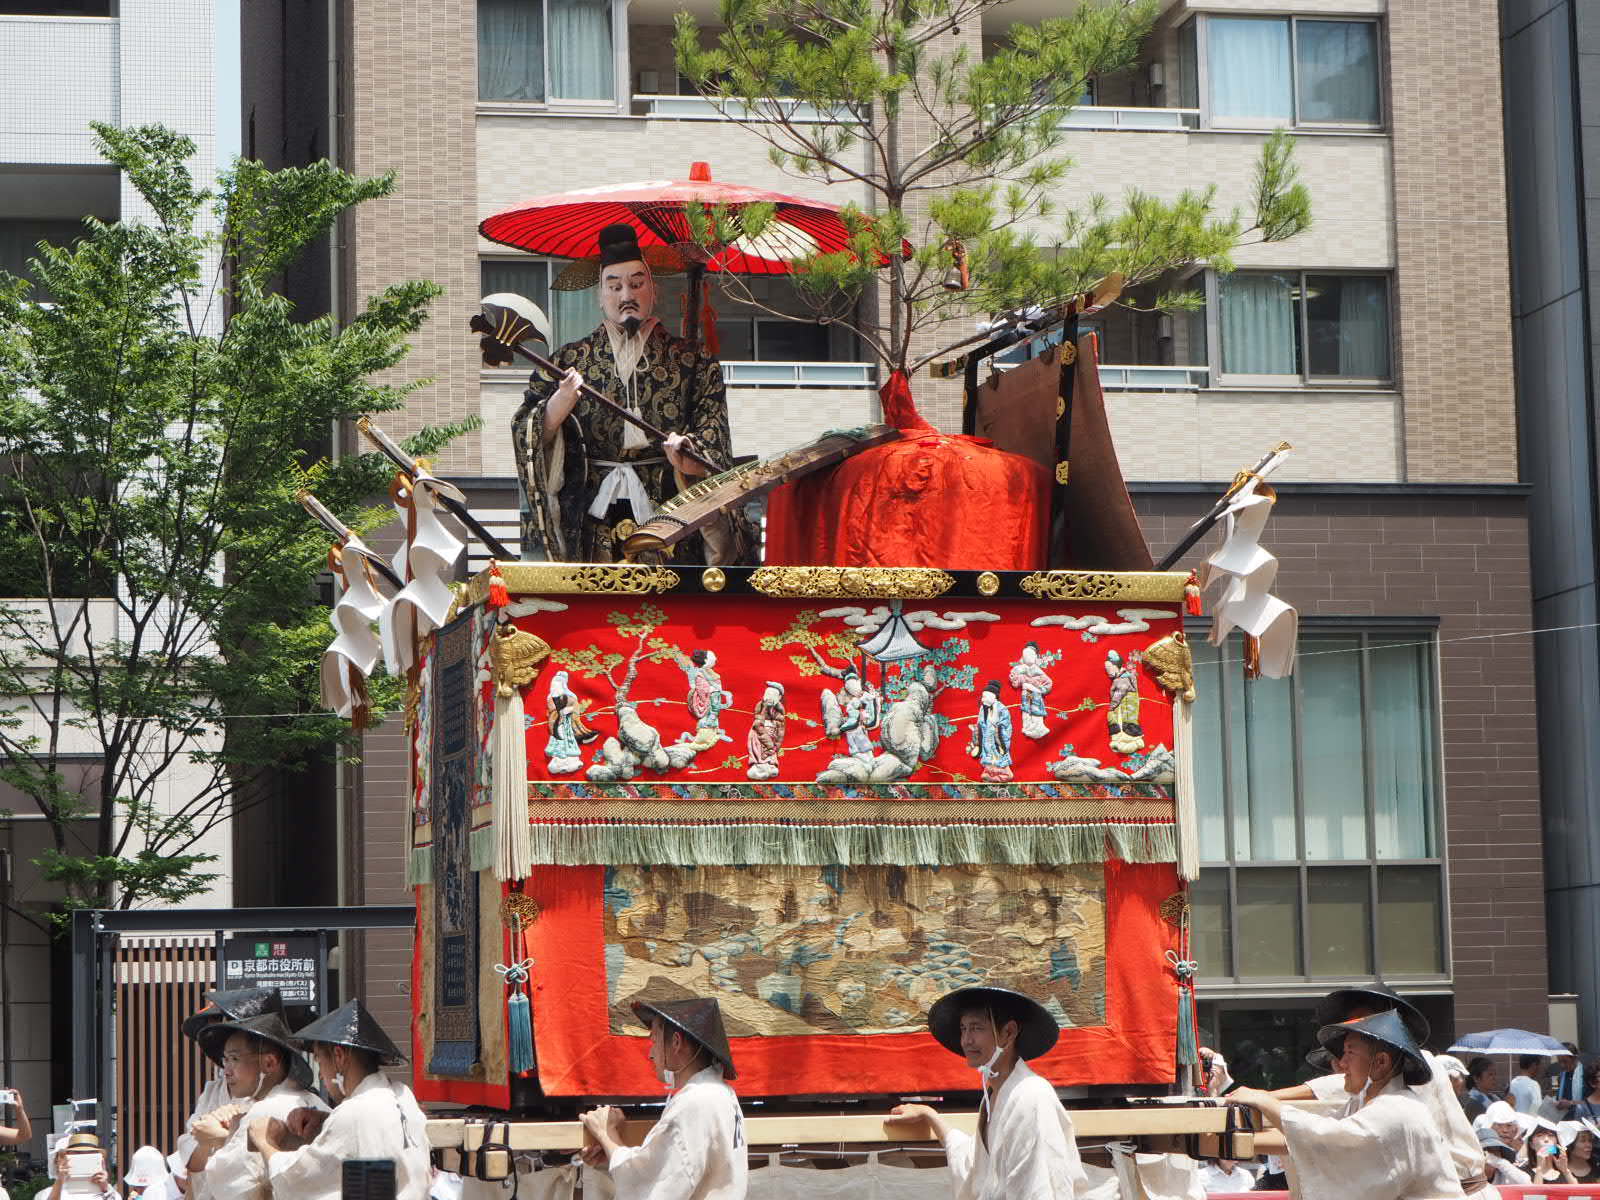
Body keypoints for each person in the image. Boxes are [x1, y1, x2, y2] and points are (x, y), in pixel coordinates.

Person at [513, 222, 750, 564]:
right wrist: (556, 407)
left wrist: (690, 456)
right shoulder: (568, 360)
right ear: (600, 296)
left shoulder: (694, 360)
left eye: (637, 284)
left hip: (672, 515)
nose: (626, 296)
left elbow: (715, 437)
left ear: (653, 291)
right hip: (591, 518)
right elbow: (524, 428)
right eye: (615, 286)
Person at [1271, 985, 1492, 1196]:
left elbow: (1335, 1100)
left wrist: (1265, 1098)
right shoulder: (1365, 1095)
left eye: (1366, 1023)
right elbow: (1324, 1133)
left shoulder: (1413, 1073)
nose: (1344, 1061)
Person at [1227, 1010, 1466, 1200]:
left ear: (1381, 1062)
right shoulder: (1362, 1103)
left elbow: (1328, 1138)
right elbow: (1307, 1140)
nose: (1341, 1063)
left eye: (1350, 1053)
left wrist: (1264, 1100)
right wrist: (1225, 1143)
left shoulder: (1399, 1109)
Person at [884, 983, 1087, 1199]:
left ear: (1008, 1033)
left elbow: (1038, 1188)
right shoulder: (995, 1096)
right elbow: (975, 1166)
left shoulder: (1031, 1097)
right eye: (963, 1029)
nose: (966, 1040)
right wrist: (929, 1115)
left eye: (977, 1028)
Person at [249, 999, 431, 1200]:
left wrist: (266, 1142)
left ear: (339, 1056)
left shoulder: (355, 1112)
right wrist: (326, 1120)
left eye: (319, 1060)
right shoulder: (401, 1094)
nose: (321, 1075)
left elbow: (297, 1180)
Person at [579, 996, 746, 1199]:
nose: (651, 1053)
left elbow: (650, 1188)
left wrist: (606, 1133)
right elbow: (670, 1170)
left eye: (654, 1040)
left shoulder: (696, 1102)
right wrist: (611, 1151)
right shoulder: (721, 1093)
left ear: (676, 1042)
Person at [188, 1011, 326, 1200]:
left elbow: (233, 1187)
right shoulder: (313, 1102)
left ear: (269, 1063)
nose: (226, 1071)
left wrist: (220, 1140)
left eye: (235, 1059)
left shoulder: (267, 1109)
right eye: (225, 1060)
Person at [172, 987, 286, 1193]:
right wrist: (206, 1142)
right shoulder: (213, 1091)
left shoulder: (291, 1102)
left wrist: (225, 1137)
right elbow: (190, 1156)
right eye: (227, 1058)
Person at [48, 1132, 118, 1200]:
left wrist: (105, 1189)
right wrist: (60, 1180)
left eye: (90, 1153)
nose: (84, 1157)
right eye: (78, 1153)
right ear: (67, 1157)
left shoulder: (108, 1190)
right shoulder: (50, 1192)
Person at [1549, 1044, 1585, 1118]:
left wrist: (1571, 1103)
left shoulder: (1586, 1075)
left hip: (1581, 1121)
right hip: (1563, 1121)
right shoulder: (1559, 1076)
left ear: (1575, 1058)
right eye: (1560, 1062)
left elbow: (1594, 1103)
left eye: (1565, 1061)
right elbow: (1555, 1094)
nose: (1562, 1065)